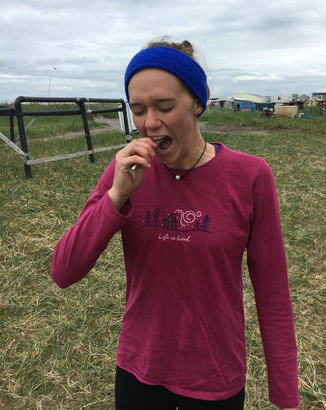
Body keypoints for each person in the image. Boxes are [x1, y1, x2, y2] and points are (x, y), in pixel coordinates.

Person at [51, 40, 299, 410]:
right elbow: (63, 270)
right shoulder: (125, 172)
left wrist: (285, 394)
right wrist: (116, 196)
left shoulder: (250, 176)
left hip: (216, 377)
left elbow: (273, 293)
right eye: (137, 110)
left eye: (164, 107)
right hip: (139, 370)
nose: (150, 123)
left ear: (198, 103)